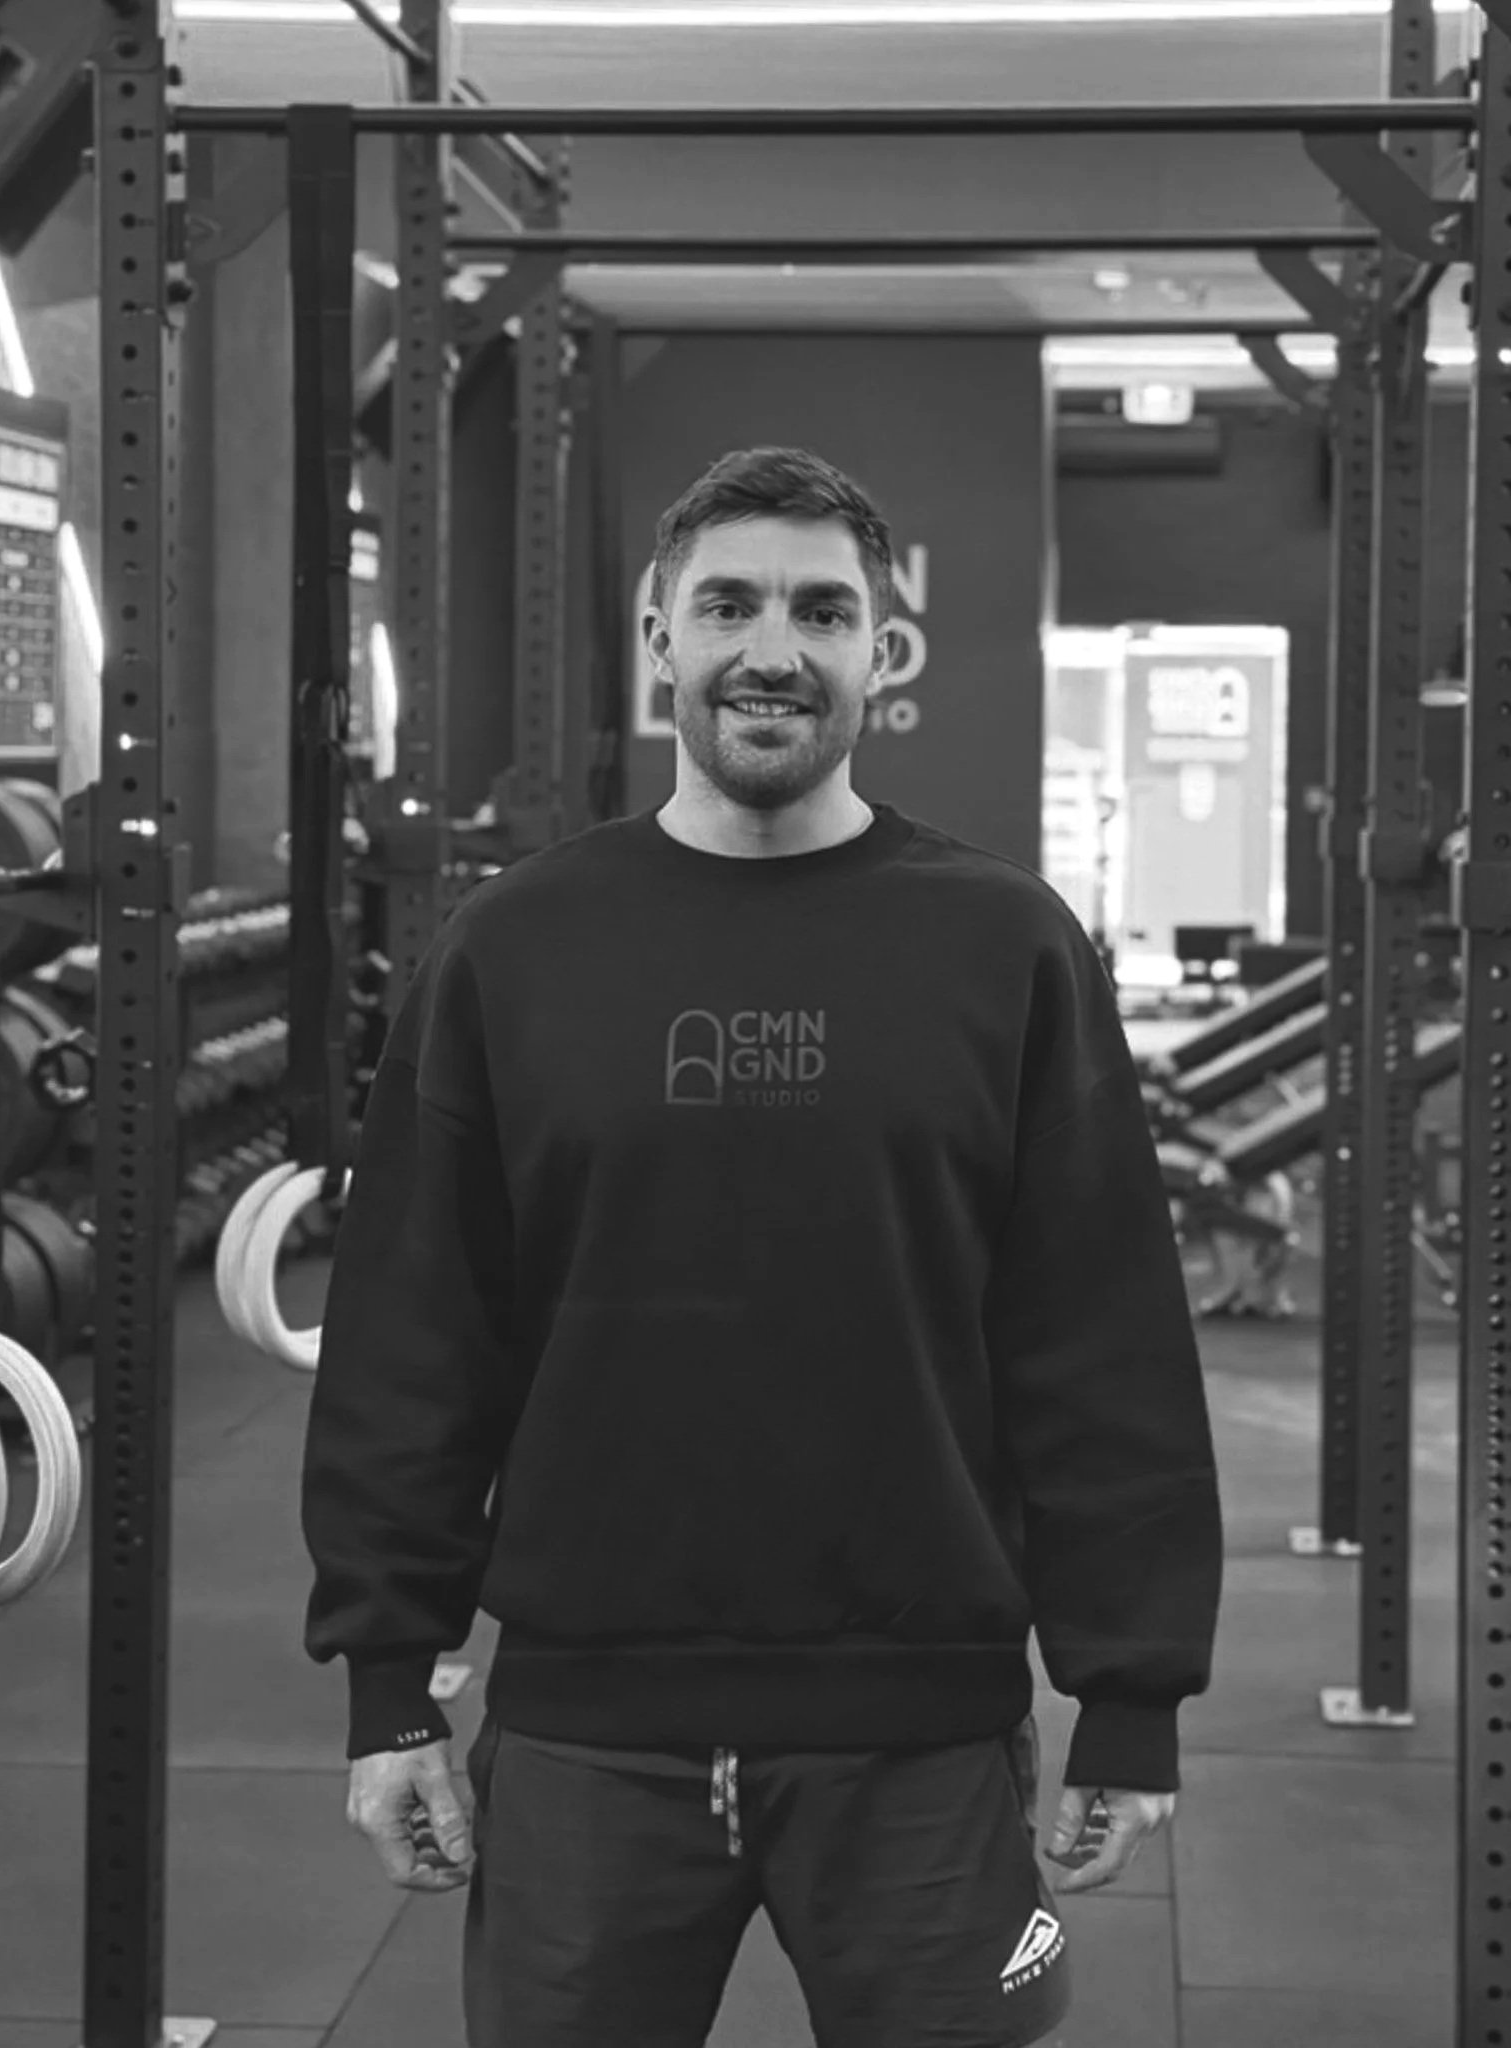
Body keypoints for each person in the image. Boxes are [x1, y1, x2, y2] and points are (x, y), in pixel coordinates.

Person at [300, 446, 1224, 2048]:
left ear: (883, 649)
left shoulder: (1006, 947)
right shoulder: (513, 950)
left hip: (922, 1736)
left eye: (822, 612)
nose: (773, 650)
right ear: (660, 637)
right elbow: (414, 1339)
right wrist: (390, 1688)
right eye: (728, 606)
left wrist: (1130, 1694)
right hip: (590, 1727)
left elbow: (1101, 1339)